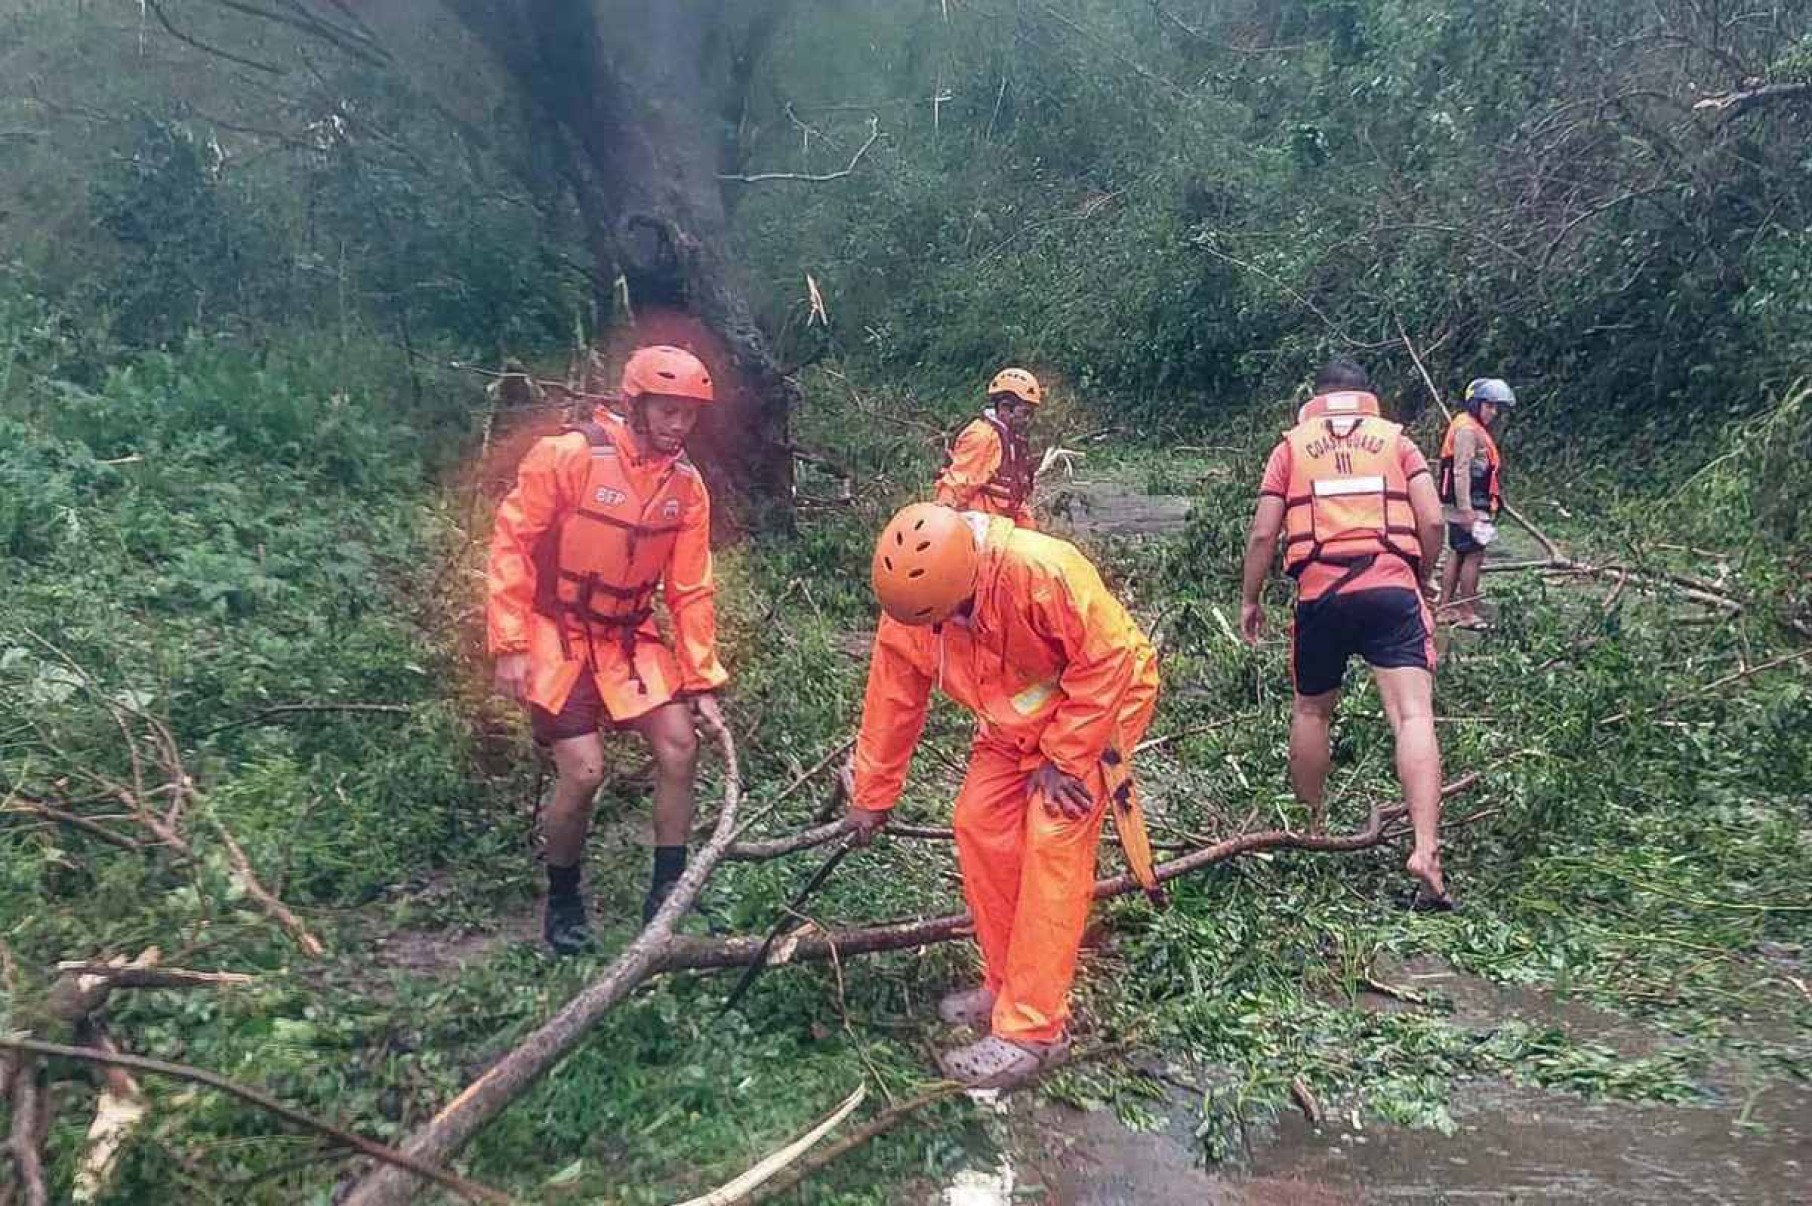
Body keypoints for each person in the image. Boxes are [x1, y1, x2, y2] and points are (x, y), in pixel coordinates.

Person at [845, 503, 1162, 1089]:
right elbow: (893, 701)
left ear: (971, 575)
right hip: (1015, 720)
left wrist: (1065, 758)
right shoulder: (913, 608)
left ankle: (1034, 1031)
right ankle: (1004, 983)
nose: (940, 630)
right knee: (977, 823)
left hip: (1100, 706)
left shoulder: (1040, 571)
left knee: (1052, 836)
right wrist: (873, 791)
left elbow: (1109, 658)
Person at [487, 344, 729, 955]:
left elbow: (691, 587)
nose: (678, 426)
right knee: (586, 770)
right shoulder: (570, 456)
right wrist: (510, 643)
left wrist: (700, 678)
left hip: (628, 638)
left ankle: (667, 893)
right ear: (635, 404)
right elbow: (513, 542)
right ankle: (563, 895)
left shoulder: (687, 488)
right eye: (667, 411)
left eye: (688, 415)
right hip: (556, 632)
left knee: (679, 746)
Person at [1237, 359, 1452, 907]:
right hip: (1392, 592)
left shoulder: (1290, 448)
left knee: (1312, 712)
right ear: (1366, 397)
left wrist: (1250, 599)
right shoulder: (1398, 443)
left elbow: (1264, 534)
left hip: (1321, 596)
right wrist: (1419, 578)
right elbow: (1431, 522)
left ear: (1317, 396)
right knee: (1413, 716)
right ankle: (1426, 852)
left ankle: (1312, 830)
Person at [1438, 378, 1516, 630]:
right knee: (1474, 553)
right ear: (1476, 404)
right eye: (1489, 406)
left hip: (1470, 502)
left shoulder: (1470, 427)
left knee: (1458, 551)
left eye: (1496, 408)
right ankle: (1466, 609)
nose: (1493, 412)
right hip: (1469, 504)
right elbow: (1461, 471)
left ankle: (1445, 606)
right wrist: (1467, 511)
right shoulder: (1467, 430)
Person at [935, 367, 1042, 527]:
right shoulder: (983, 436)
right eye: (1025, 413)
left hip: (1001, 528)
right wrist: (940, 520)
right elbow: (957, 483)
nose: (1028, 420)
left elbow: (1015, 498)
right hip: (978, 528)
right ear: (1005, 407)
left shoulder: (1012, 440)